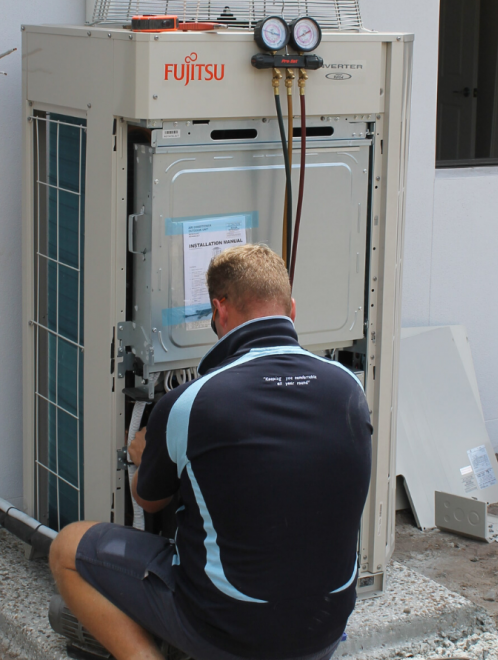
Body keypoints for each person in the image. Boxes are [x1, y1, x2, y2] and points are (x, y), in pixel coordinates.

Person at [50, 244, 372, 660]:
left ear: (219, 311)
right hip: (322, 632)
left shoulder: (190, 402)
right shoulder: (350, 389)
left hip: (226, 634)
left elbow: (148, 500)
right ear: (291, 310)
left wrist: (144, 457)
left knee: (67, 548)